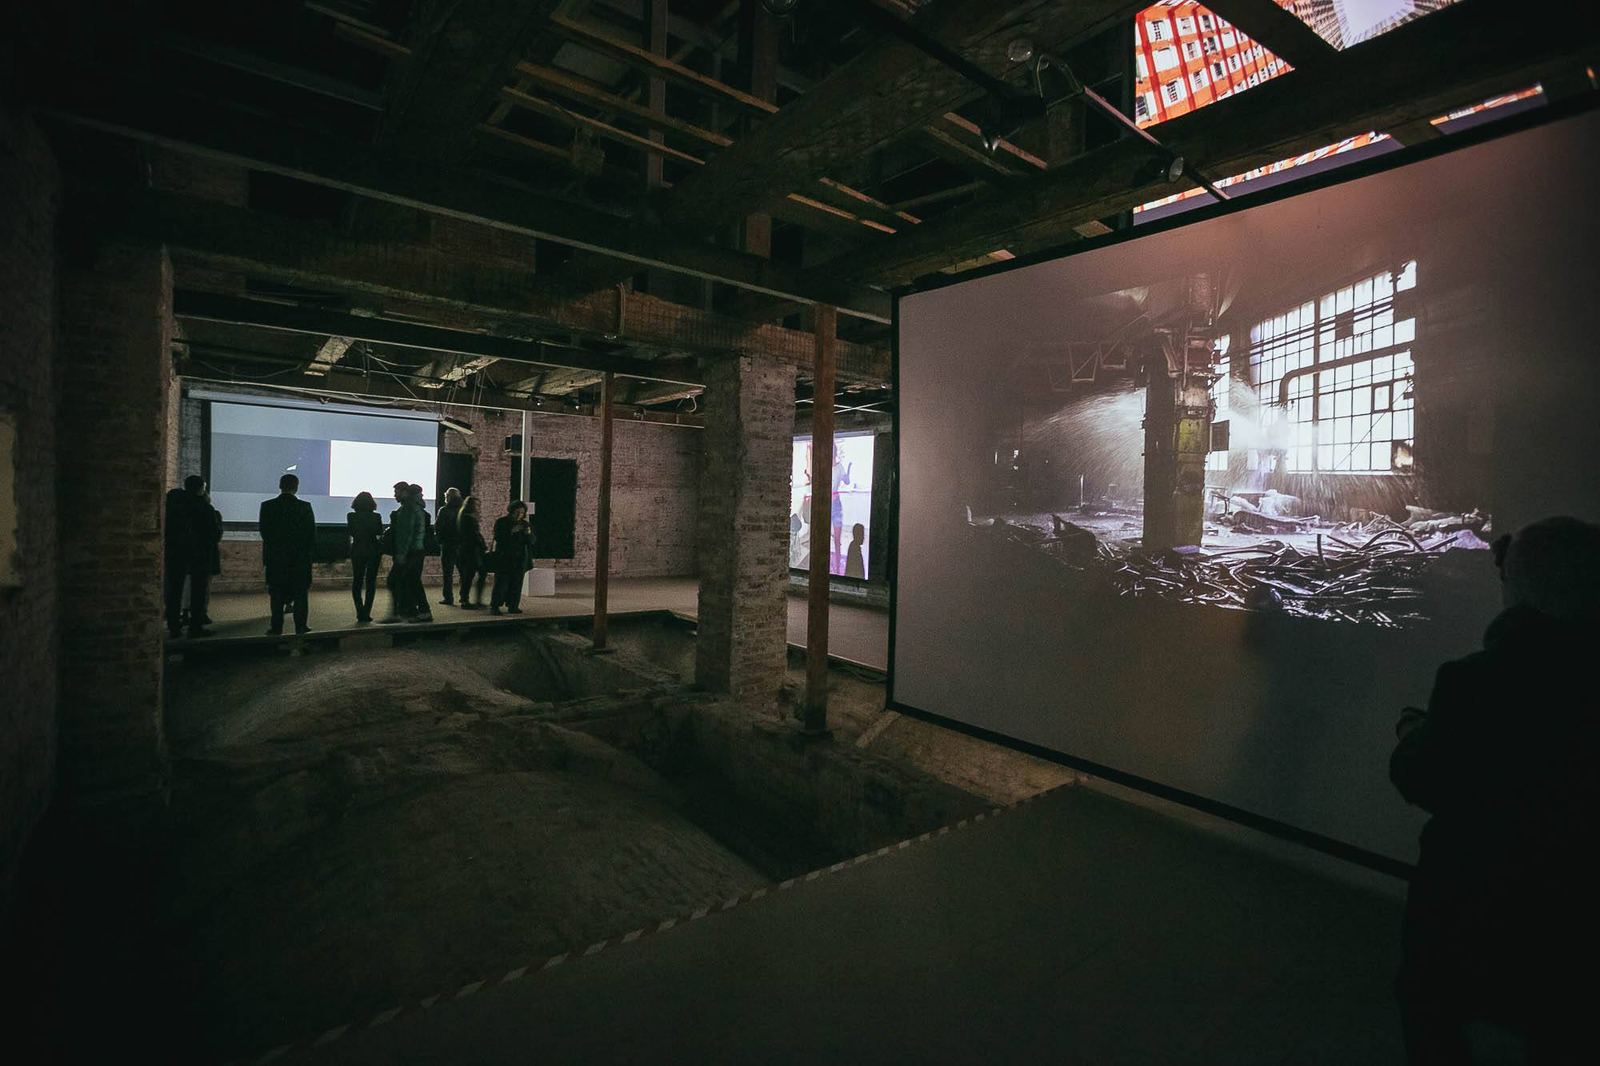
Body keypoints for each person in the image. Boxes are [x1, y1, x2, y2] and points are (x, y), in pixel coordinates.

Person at [1390, 515, 1600, 1064]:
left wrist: (1413, 735)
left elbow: (1425, 779)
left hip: (1471, 892)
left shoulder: (1474, 681)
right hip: (1577, 904)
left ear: (1518, 587)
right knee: (1564, 1023)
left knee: (1428, 1004)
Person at [258, 473, 315, 635]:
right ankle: (301, 626)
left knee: (276, 594)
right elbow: (311, 534)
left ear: (280, 486)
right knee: (300, 594)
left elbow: (264, 532)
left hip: (276, 557)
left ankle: (276, 627)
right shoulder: (305, 507)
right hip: (299, 558)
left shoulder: (267, 506)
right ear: (296, 487)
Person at [163, 482, 207, 638]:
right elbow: (209, 533)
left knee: (174, 592)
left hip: (173, 555)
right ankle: (195, 626)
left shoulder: (169, 511)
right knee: (197, 592)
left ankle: (174, 626)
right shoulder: (201, 507)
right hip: (196, 555)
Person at [379, 482, 426, 624]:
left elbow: (405, 534)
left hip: (410, 551)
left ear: (404, 492)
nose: (395, 495)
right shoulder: (415, 507)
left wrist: (401, 554)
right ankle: (415, 611)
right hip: (416, 550)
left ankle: (402, 613)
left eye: (397, 492)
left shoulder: (408, 508)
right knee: (411, 581)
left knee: (394, 580)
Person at [489, 500, 533, 615]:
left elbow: (531, 541)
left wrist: (528, 534)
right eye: (517, 512)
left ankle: (513, 605)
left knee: (517, 583)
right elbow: (498, 538)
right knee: (501, 583)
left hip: (520, 559)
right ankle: (495, 606)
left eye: (522, 513)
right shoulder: (501, 522)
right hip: (505, 557)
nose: (519, 515)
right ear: (511, 511)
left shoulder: (524, 524)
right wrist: (511, 532)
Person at [346, 491, 384, 623]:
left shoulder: (351, 516)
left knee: (357, 581)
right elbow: (379, 532)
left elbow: (351, 532)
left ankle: (359, 611)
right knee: (371, 581)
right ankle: (367, 612)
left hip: (357, 549)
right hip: (373, 549)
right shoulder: (376, 516)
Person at [454, 494, 488, 609]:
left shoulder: (462, 516)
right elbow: (474, 536)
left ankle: (465, 598)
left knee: (468, 576)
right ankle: (468, 600)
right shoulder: (469, 518)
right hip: (472, 551)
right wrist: (483, 547)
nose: (478, 507)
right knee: (474, 574)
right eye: (477, 505)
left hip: (466, 550)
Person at [436, 487, 462, 606]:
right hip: (462, 545)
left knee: (447, 574)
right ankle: (464, 597)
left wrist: (440, 541)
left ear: (448, 497)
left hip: (448, 545)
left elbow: (439, 527)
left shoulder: (444, 510)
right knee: (463, 572)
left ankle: (448, 598)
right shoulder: (464, 509)